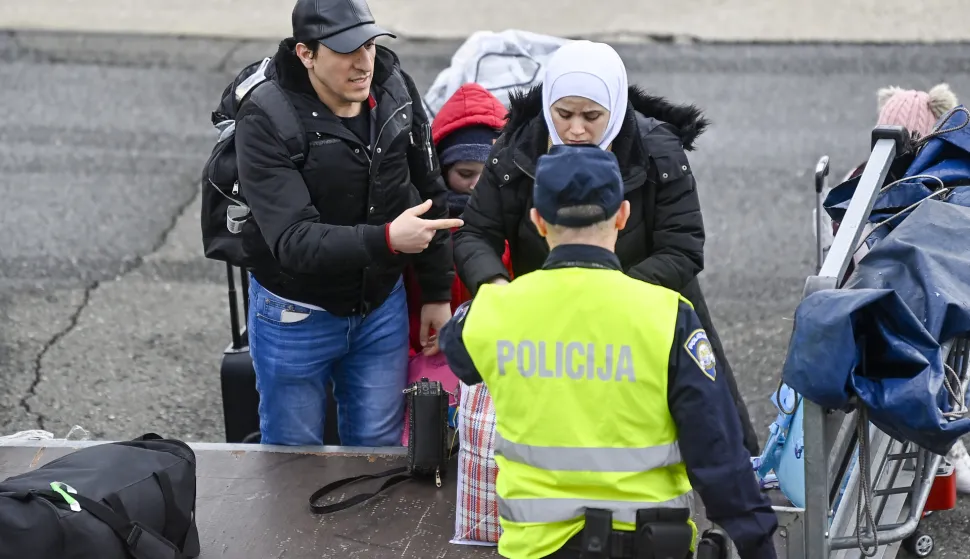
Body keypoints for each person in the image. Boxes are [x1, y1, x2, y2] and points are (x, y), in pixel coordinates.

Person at [439, 145, 778, 559]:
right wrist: (758, 543)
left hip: (537, 550)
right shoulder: (667, 316)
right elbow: (718, 452)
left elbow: (457, 352)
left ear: (538, 221)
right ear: (622, 214)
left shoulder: (495, 312)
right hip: (649, 546)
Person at [452, 39, 760, 456]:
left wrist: (615, 298)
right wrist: (493, 287)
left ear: (615, 109)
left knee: (708, 425)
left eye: (592, 116)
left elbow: (682, 248)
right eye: (564, 115)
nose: (576, 129)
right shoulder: (514, 152)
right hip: (548, 313)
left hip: (647, 307)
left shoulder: (658, 152)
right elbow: (475, 233)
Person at [234, 0, 460, 447]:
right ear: (306, 54)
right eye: (345, 50)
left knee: (377, 453)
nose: (363, 62)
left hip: (380, 309)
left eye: (370, 44)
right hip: (295, 314)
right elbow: (294, 240)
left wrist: (436, 291)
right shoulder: (265, 117)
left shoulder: (394, 87)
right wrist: (389, 241)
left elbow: (429, 189)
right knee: (291, 460)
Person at [813, 83, 970, 494]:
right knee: (938, 359)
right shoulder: (928, 189)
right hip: (896, 308)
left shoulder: (857, 183)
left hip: (849, 304)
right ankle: (947, 451)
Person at [403, 82, 514, 356]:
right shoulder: (418, 226)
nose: (477, 184)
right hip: (430, 354)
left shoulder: (518, 219)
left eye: (487, 173)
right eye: (465, 174)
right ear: (441, 168)